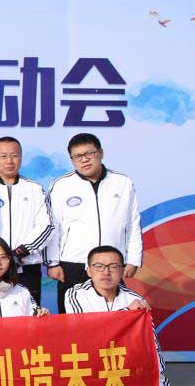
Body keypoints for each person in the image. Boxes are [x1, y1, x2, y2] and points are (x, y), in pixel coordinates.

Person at [65, 245, 168, 386]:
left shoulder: (135, 299)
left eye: (113, 266)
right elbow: (86, 330)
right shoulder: (75, 293)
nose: (106, 272)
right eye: (98, 266)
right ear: (88, 270)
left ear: (122, 271)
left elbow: (152, 347)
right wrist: (127, 313)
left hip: (122, 364)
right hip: (89, 363)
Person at [47, 133, 142, 313]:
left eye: (89, 153)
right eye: (77, 156)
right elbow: (53, 227)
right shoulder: (61, 185)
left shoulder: (122, 183)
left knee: (115, 317)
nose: (84, 160)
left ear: (101, 153)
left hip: (111, 264)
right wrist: (53, 263)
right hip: (73, 264)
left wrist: (133, 259)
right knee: (73, 321)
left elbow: (133, 224)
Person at [0, 136, 53, 305]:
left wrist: (21, 252)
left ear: (21, 158)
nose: (9, 161)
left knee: (29, 313)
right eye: (3, 156)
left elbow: (46, 226)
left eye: (14, 156)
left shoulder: (35, 189)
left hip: (27, 265)